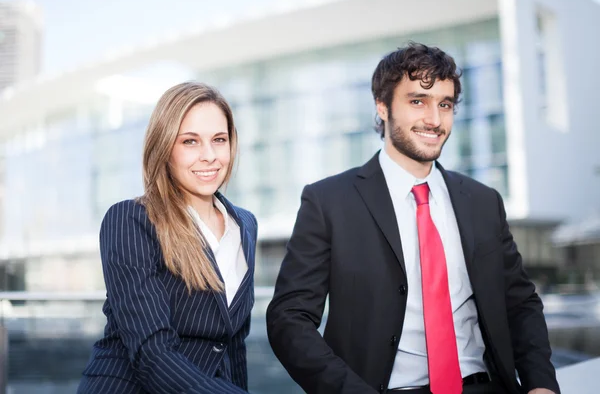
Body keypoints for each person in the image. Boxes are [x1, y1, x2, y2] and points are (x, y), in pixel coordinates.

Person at [266, 43, 560, 394]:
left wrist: (541, 384)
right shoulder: (328, 202)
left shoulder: (483, 202)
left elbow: (521, 303)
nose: (434, 120)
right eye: (417, 101)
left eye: (445, 104)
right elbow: (289, 319)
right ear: (382, 107)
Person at [78, 82, 257, 394]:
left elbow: (233, 346)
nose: (209, 156)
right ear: (164, 148)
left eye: (219, 140)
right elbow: (152, 352)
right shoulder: (131, 220)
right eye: (190, 141)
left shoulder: (245, 225)